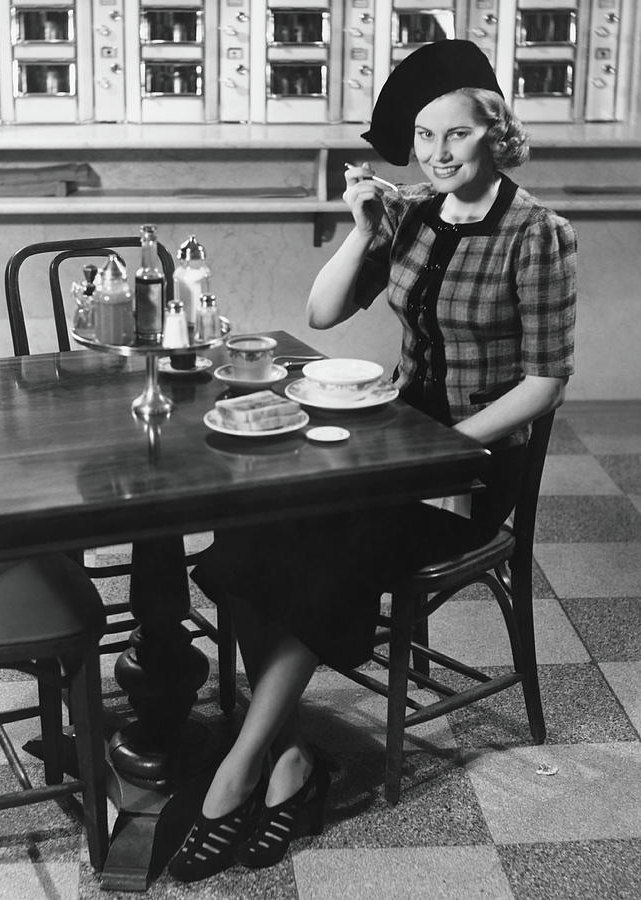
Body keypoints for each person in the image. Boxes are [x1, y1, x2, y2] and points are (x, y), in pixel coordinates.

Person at [168, 39, 577, 883]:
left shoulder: (539, 235)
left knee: (322, 557)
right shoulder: (415, 214)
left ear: (495, 135)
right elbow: (320, 312)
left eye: (454, 136)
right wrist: (364, 230)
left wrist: (442, 448)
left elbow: (542, 383)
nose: (434, 153)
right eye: (424, 136)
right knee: (253, 537)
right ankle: (289, 763)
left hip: (468, 464)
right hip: (386, 444)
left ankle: (242, 768)